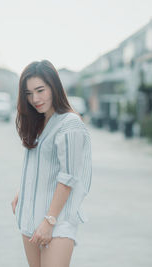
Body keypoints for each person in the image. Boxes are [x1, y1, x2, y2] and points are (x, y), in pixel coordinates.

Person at [11, 60, 92, 267]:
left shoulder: (69, 124)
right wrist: (23, 192)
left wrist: (50, 221)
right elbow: (41, 166)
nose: (34, 99)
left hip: (56, 221)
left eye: (40, 90)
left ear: (54, 87)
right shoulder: (39, 122)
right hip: (30, 218)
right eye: (28, 93)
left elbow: (68, 177)